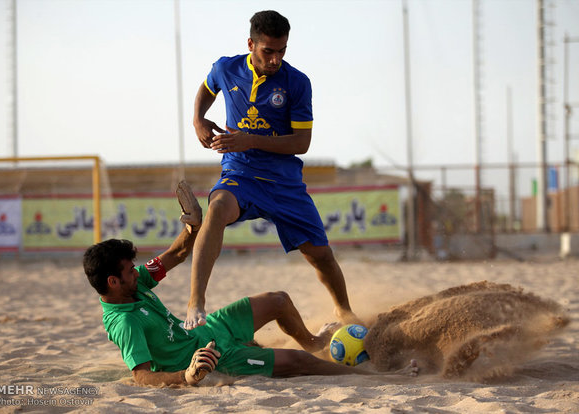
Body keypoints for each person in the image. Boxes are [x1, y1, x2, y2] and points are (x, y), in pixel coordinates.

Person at [83, 185, 369, 387]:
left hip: (208, 328)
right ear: (113, 282)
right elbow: (142, 377)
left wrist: (192, 228)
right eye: (130, 271)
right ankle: (374, 376)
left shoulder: (135, 285)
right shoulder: (124, 323)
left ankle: (315, 342)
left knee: (279, 300)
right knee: (298, 362)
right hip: (214, 358)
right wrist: (186, 376)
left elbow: (176, 255)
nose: (137, 272)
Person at [187, 9, 359, 330]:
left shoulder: (297, 83)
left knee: (320, 256)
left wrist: (249, 139)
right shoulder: (226, 68)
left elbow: (302, 142)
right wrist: (198, 119)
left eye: (282, 51)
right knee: (217, 208)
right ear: (251, 44)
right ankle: (195, 304)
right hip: (240, 174)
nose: (275, 59)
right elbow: (207, 89)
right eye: (268, 51)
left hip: (284, 183)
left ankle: (345, 312)